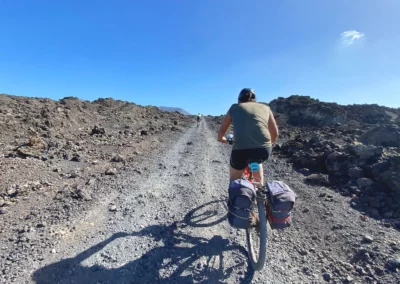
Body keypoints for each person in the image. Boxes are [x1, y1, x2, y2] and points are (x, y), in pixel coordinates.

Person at [217, 88, 279, 186]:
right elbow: (275, 132)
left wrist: (221, 138)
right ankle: (259, 192)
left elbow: (222, 129)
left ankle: (236, 195)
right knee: (258, 161)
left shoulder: (234, 108)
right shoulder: (266, 108)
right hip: (264, 150)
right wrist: (267, 145)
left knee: (235, 179)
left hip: (241, 151)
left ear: (239, 100)